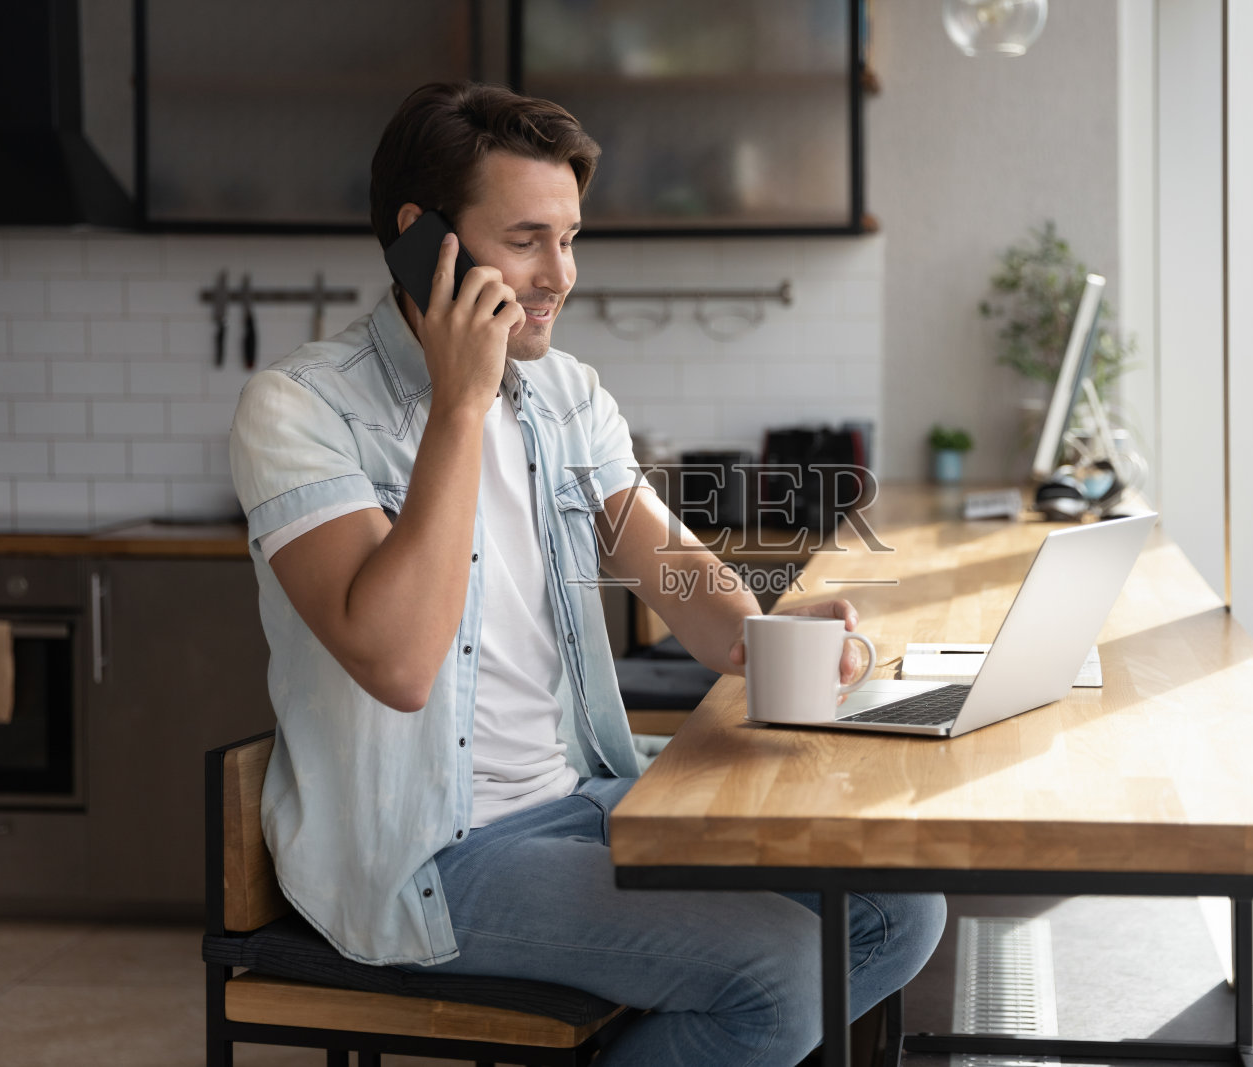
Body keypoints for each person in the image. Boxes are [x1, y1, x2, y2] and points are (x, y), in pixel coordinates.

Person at [229, 81, 944, 1066]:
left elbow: (687, 589)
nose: (559, 274)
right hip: (430, 857)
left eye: (568, 239)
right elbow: (398, 663)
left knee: (897, 905)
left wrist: (764, 631)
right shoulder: (300, 408)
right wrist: (460, 405)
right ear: (421, 238)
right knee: (779, 974)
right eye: (526, 239)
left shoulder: (566, 394)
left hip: (587, 793)